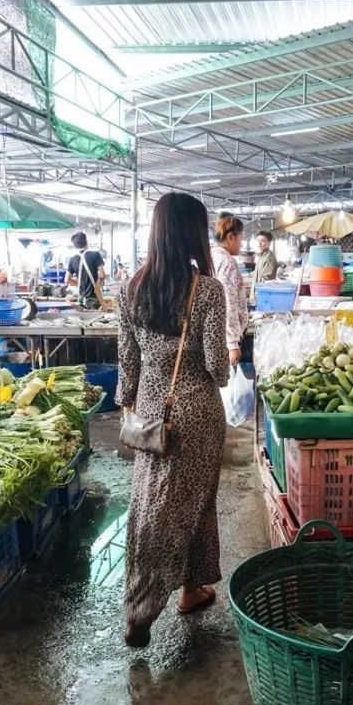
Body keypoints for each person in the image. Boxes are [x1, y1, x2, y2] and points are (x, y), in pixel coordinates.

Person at [116, 192, 229, 647]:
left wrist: (130, 405)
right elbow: (218, 370)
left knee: (160, 503)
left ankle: (191, 591)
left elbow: (127, 362)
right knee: (179, 508)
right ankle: (143, 606)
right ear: (191, 232)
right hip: (198, 413)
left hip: (150, 412)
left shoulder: (130, 287)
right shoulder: (207, 290)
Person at [212, 212, 248, 367]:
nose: (242, 243)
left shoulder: (211, 255)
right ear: (231, 237)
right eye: (241, 238)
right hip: (224, 339)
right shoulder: (228, 262)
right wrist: (232, 344)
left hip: (214, 333)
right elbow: (228, 302)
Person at [65, 232, 106, 308]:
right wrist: (97, 284)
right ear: (86, 242)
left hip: (81, 301)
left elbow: (67, 280)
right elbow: (102, 275)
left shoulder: (72, 259)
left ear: (74, 246)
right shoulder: (95, 254)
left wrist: (80, 284)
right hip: (94, 300)